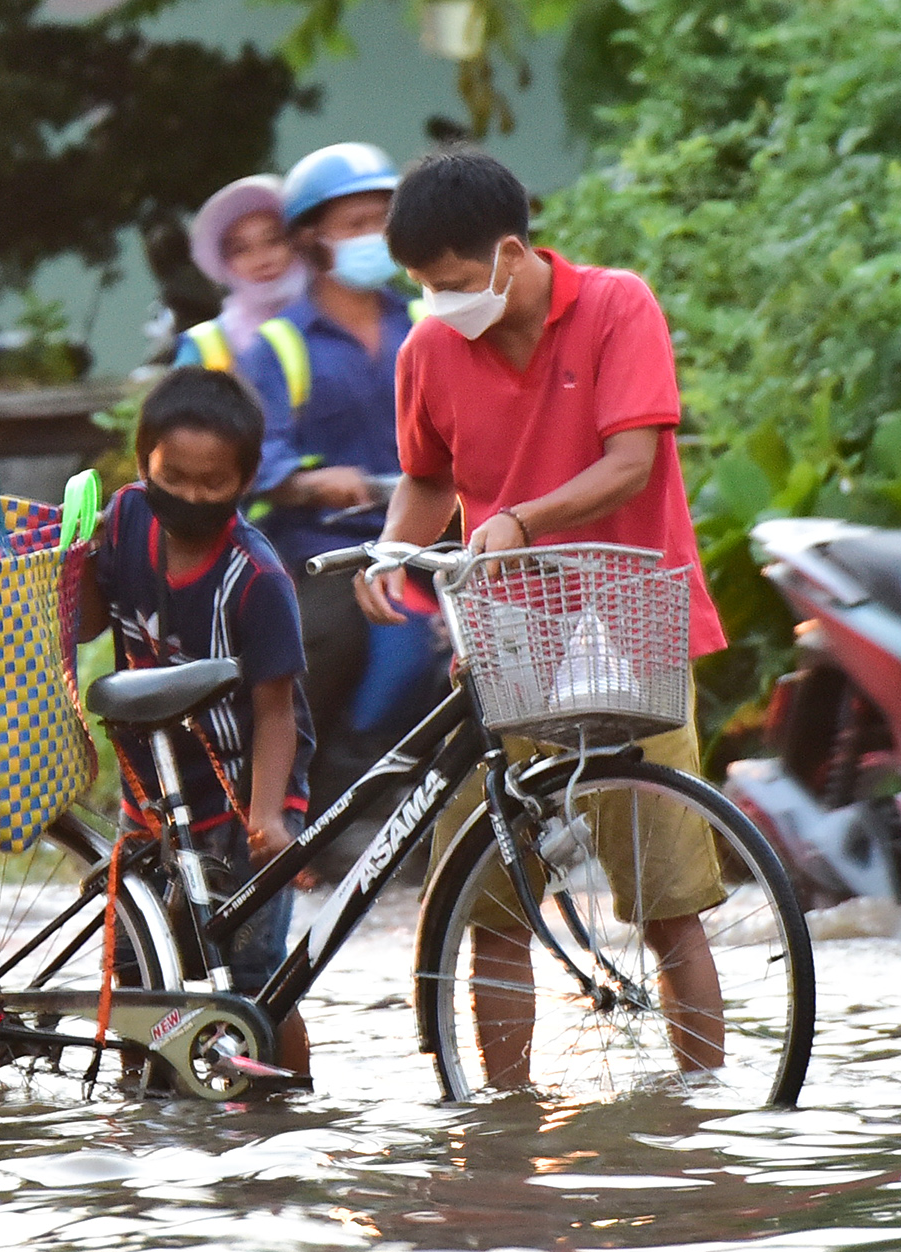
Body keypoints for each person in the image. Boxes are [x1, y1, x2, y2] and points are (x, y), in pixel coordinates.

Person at [362, 146, 728, 1082]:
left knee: (664, 900)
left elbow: (632, 462)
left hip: (628, 622)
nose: (440, 302)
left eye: (451, 282)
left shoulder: (615, 306)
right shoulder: (430, 349)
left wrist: (520, 519)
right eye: (423, 287)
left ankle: (705, 1107)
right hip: (504, 637)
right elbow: (428, 474)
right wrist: (390, 552)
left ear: (512, 254)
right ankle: (506, 1112)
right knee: (486, 899)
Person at [79, 366, 314, 1071]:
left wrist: (269, 818)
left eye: (213, 485)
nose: (190, 496)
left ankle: (286, 1107)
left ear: (245, 481)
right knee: (135, 974)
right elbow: (90, 622)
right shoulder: (123, 521)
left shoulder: (256, 579)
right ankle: (140, 1099)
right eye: (173, 477)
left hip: (242, 796)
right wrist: (77, 565)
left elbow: (277, 711)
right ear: (145, 463)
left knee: (255, 983)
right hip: (149, 797)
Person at [235, 142, 427, 812]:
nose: (371, 236)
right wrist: (314, 484)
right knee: (326, 648)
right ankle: (305, 804)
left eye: (382, 219)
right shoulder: (280, 345)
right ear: (311, 238)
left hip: (427, 538)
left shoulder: (425, 323)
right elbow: (257, 457)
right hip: (323, 549)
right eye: (354, 224)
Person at [173, 175, 307, 373]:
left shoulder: (344, 314)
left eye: (274, 240)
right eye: (240, 250)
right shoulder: (205, 347)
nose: (261, 259)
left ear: (297, 242)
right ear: (224, 263)